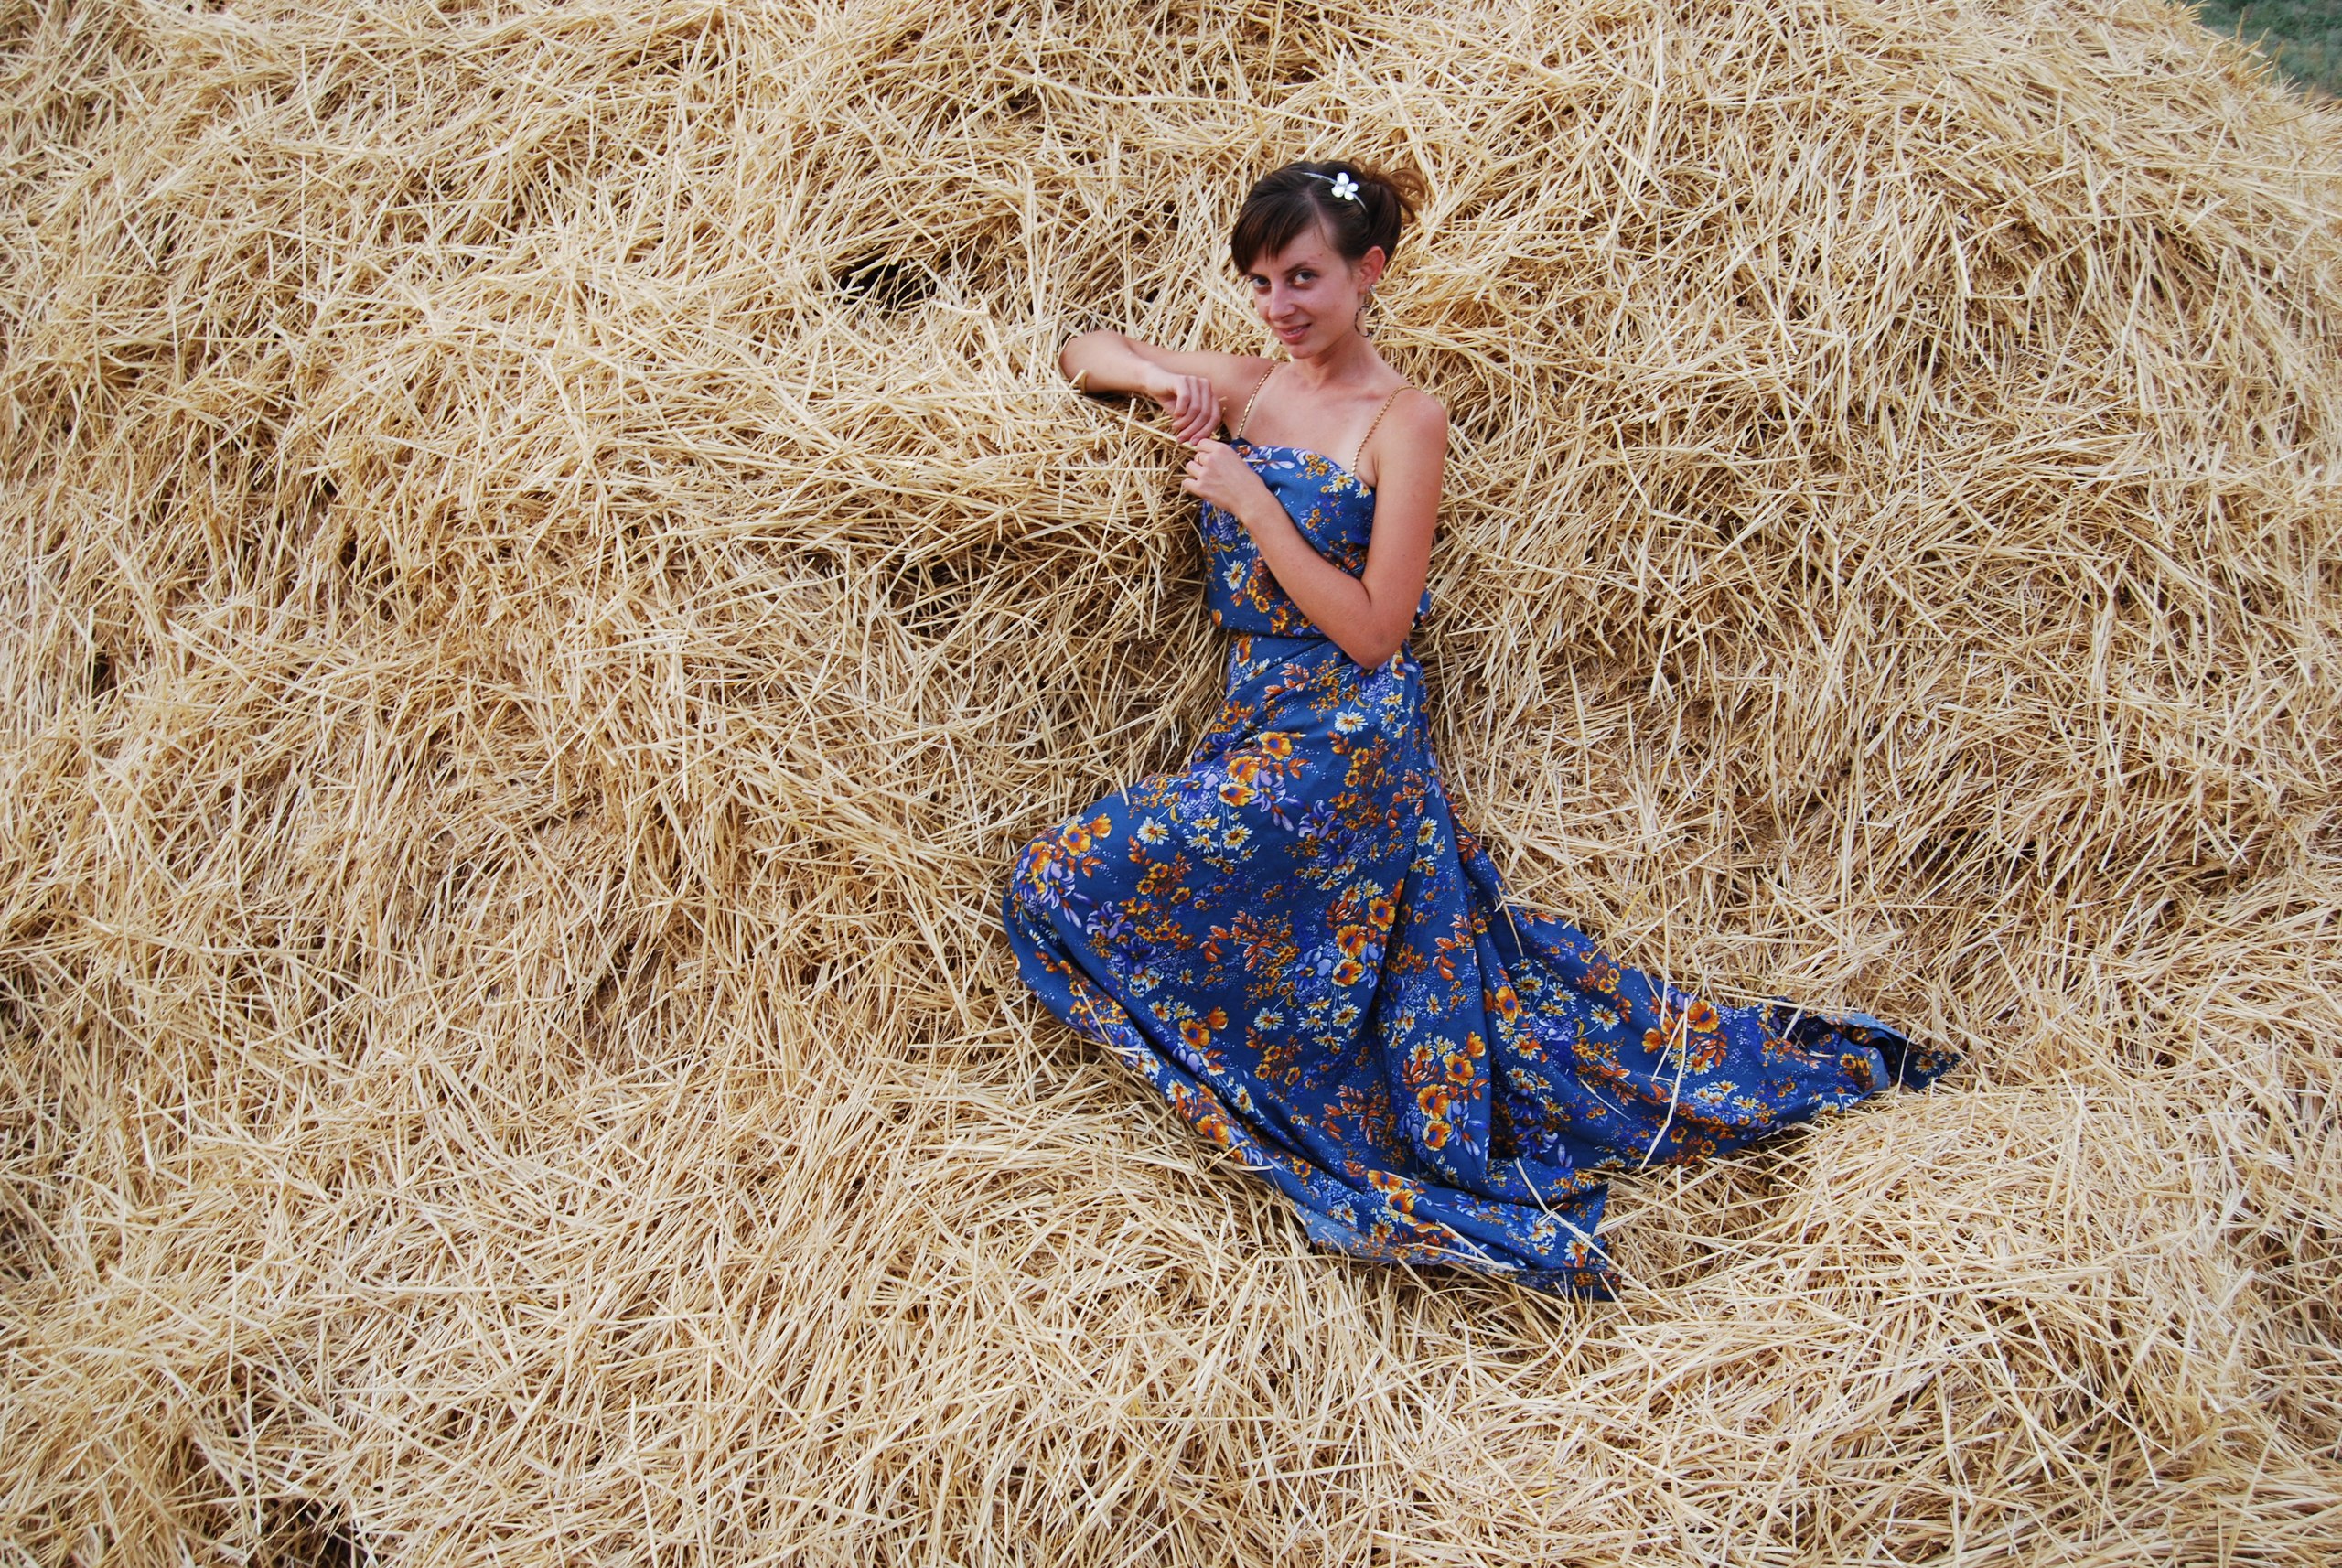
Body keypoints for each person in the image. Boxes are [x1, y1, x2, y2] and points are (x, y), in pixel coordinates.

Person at [1002, 159, 1954, 1297]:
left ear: (1368, 272)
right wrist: (1164, 384)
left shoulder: (1406, 420)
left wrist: (1252, 503)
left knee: (1058, 878)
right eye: (1258, 282)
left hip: (1347, 736)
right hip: (1256, 719)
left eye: (1302, 277)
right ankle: (1284, 1083)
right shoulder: (1250, 389)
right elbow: (1082, 349)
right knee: (1075, 896)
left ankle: (1312, 1129)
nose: (1277, 306)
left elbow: (1375, 629)